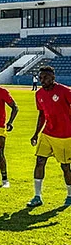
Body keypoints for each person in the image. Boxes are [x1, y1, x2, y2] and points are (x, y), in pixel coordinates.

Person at [28, 66, 71, 208]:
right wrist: (36, 134)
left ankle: (70, 195)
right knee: (39, 161)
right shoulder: (39, 94)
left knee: (65, 167)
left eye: (45, 77)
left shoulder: (65, 91)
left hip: (64, 135)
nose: (42, 80)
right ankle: (37, 196)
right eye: (40, 78)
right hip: (47, 133)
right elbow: (41, 115)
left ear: (53, 77)